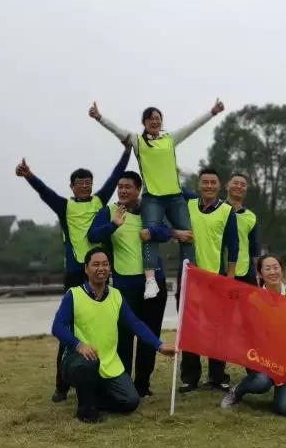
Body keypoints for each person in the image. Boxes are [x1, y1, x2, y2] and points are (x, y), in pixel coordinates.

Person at [15, 147, 130, 402]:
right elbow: (45, 193)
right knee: (69, 328)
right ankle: (62, 386)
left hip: (100, 272)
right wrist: (29, 175)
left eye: (88, 183)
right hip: (76, 274)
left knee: (105, 325)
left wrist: (126, 151)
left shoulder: (100, 201)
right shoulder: (64, 206)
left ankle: (106, 378)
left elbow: (115, 176)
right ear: (72, 187)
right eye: (80, 183)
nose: (85, 187)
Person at [88, 100, 225, 300]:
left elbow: (192, 127)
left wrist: (212, 112)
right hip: (152, 197)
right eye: (151, 118)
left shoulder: (170, 139)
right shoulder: (138, 141)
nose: (154, 121)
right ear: (144, 122)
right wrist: (99, 118)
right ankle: (150, 280)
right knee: (148, 234)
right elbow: (118, 131)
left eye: (158, 118)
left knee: (188, 235)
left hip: (175, 196)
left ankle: (191, 276)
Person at [52, 247, 176, 423]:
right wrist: (79, 345)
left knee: (131, 402)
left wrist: (159, 345)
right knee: (87, 365)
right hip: (77, 360)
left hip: (109, 363)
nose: (101, 268)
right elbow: (58, 327)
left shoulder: (116, 295)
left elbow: (135, 324)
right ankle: (86, 411)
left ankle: (93, 397)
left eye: (105, 264)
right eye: (95, 264)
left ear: (110, 268)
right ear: (86, 269)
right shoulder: (74, 295)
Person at [87, 170, 170, 397]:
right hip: (124, 285)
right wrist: (113, 225)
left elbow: (166, 232)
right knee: (123, 336)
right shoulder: (109, 211)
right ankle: (124, 384)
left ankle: (142, 385)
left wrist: (152, 231)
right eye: (120, 187)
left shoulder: (151, 210)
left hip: (154, 283)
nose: (122, 191)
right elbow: (92, 236)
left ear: (138, 189)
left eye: (128, 187)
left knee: (149, 334)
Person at [221, 254, 286, 416]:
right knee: (261, 382)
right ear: (260, 274)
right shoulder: (254, 298)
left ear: (282, 270)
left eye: (276, 267)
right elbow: (242, 330)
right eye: (267, 268)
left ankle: (282, 388)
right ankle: (237, 391)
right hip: (261, 359)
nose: (273, 272)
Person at [177, 167, 239, 393]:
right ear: (199, 184)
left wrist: (230, 277)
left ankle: (217, 376)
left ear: (220, 186)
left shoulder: (227, 211)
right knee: (190, 328)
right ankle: (190, 378)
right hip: (189, 276)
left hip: (216, 278)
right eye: (205, 182)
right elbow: (173, 187)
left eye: (213, 182)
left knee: (217, 330)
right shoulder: (189, 204)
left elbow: (234, 246)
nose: (209, 186)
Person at [225, 173, 260, 285]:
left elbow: (254, 249)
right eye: (235, 183)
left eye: (243, 185)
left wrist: (259, 274)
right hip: (220, 271)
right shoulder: (217, 210)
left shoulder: (251, 217)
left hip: (246, 274)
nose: (239, 187)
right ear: (227, 186)